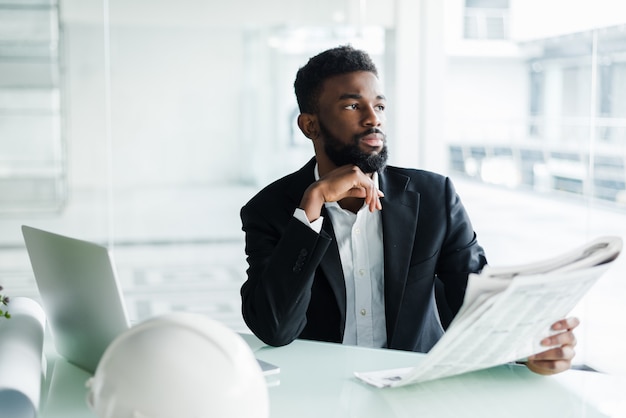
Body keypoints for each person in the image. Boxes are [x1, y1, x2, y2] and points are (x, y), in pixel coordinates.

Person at [240, 45, 579, 376]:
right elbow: (275, 329)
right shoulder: (270, 210)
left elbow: (475, 304)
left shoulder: (433, 197)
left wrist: (531, 346)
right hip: (324, 392)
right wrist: (311, 207)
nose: (373, 119)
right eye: (353, 106)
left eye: (380, 106)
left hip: (415, 389)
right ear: (310, 126)